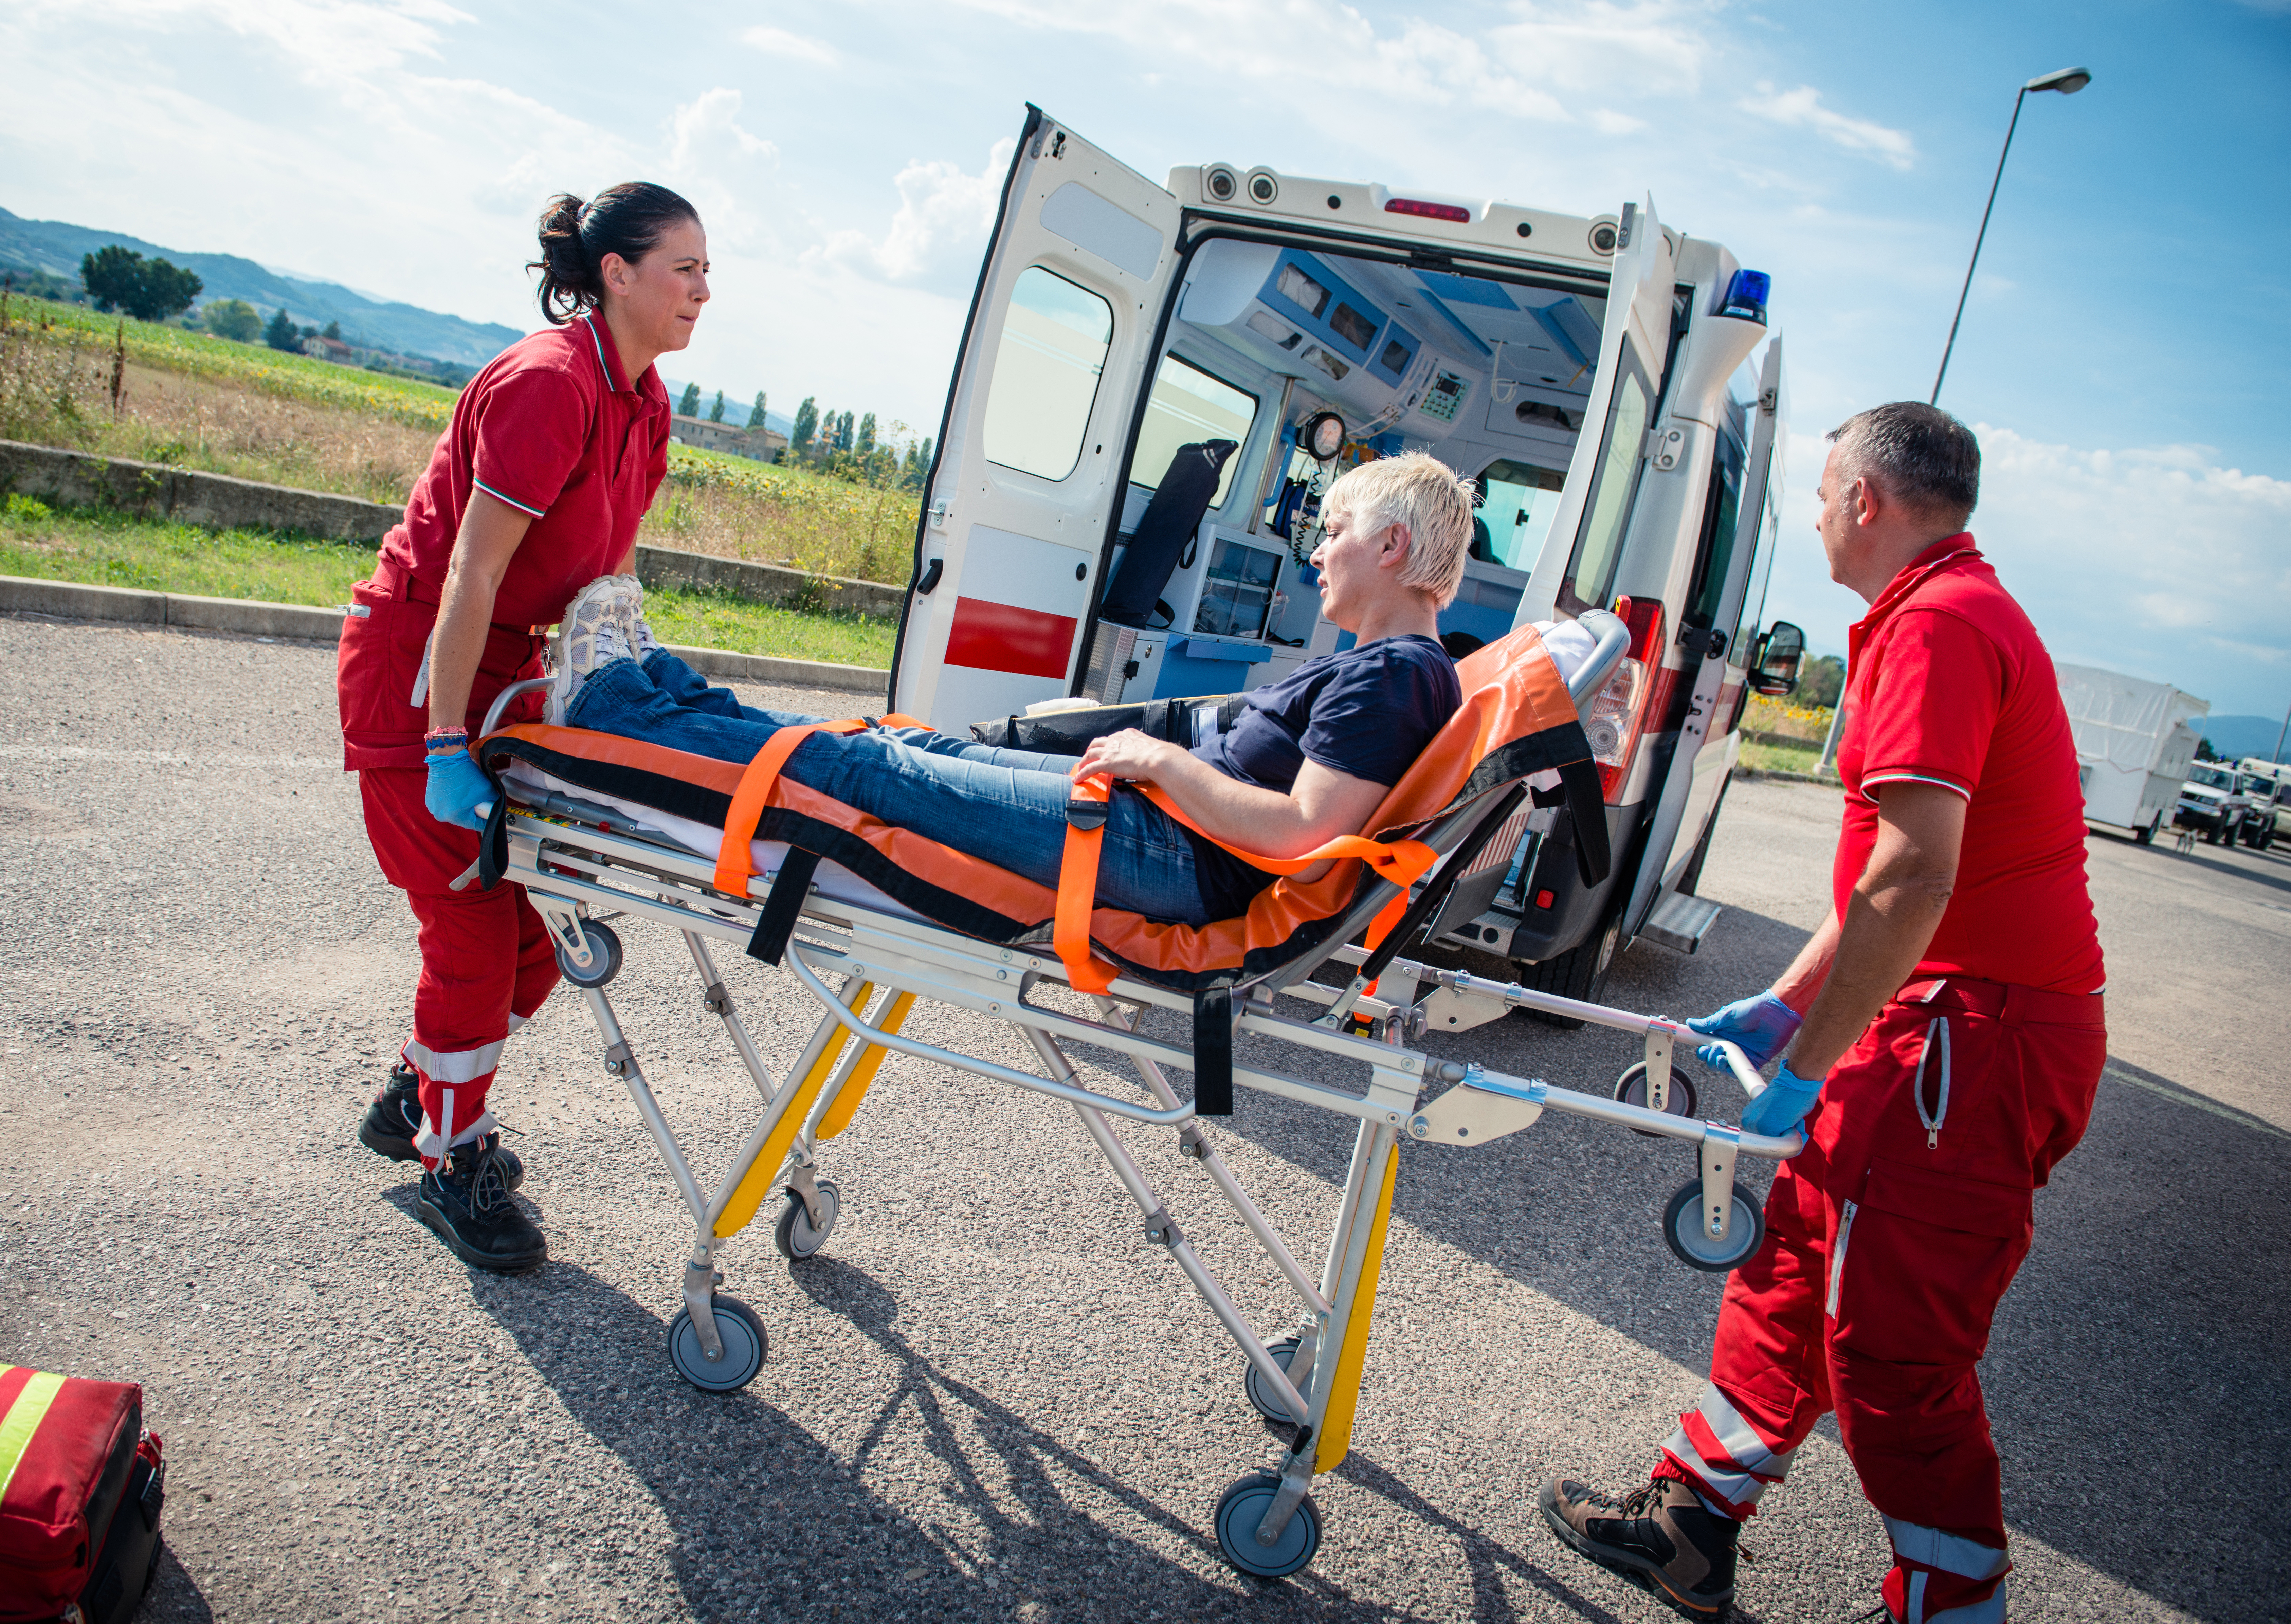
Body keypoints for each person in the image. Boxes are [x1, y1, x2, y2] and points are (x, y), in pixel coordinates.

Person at [1540, 403, 2106, 1624]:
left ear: (1864, 501)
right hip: (1949, 1023)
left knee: (1896, 1346)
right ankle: (1694, 1517)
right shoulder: (1948, 613)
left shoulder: (1941, 628)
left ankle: (1953, 1607)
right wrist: (1788, 1005)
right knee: (1798, 1259)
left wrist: (1813, 1058)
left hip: (1970, 1040)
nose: (1810, 517)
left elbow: (1914, 879)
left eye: (1818, 493)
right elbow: (1889, 891)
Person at [559, 454, 1474, 926]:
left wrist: (1156, 761)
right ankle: (657, 692)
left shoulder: (1395, 675)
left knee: (862, 775)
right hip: (1155, 832)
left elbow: (1301, 833)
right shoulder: (1395, 669)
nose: (1318, 552)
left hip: (1167, 854)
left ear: (1391, 549)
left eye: (1337, 531)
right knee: (901, 747)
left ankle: (611, 709)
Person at [336, 181, 708, 1273]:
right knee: (468, 934)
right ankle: (453, 1161)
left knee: (529, 965)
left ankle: (417, 1093)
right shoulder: (550, 385)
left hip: (512, 677)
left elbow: (611, 577)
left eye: (706, 271)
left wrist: (627, 693)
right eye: (681, 268)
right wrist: (447, 741)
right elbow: (472, 569)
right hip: (422, 673)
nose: (699, 290)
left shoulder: (645, 402)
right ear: (616, 275)